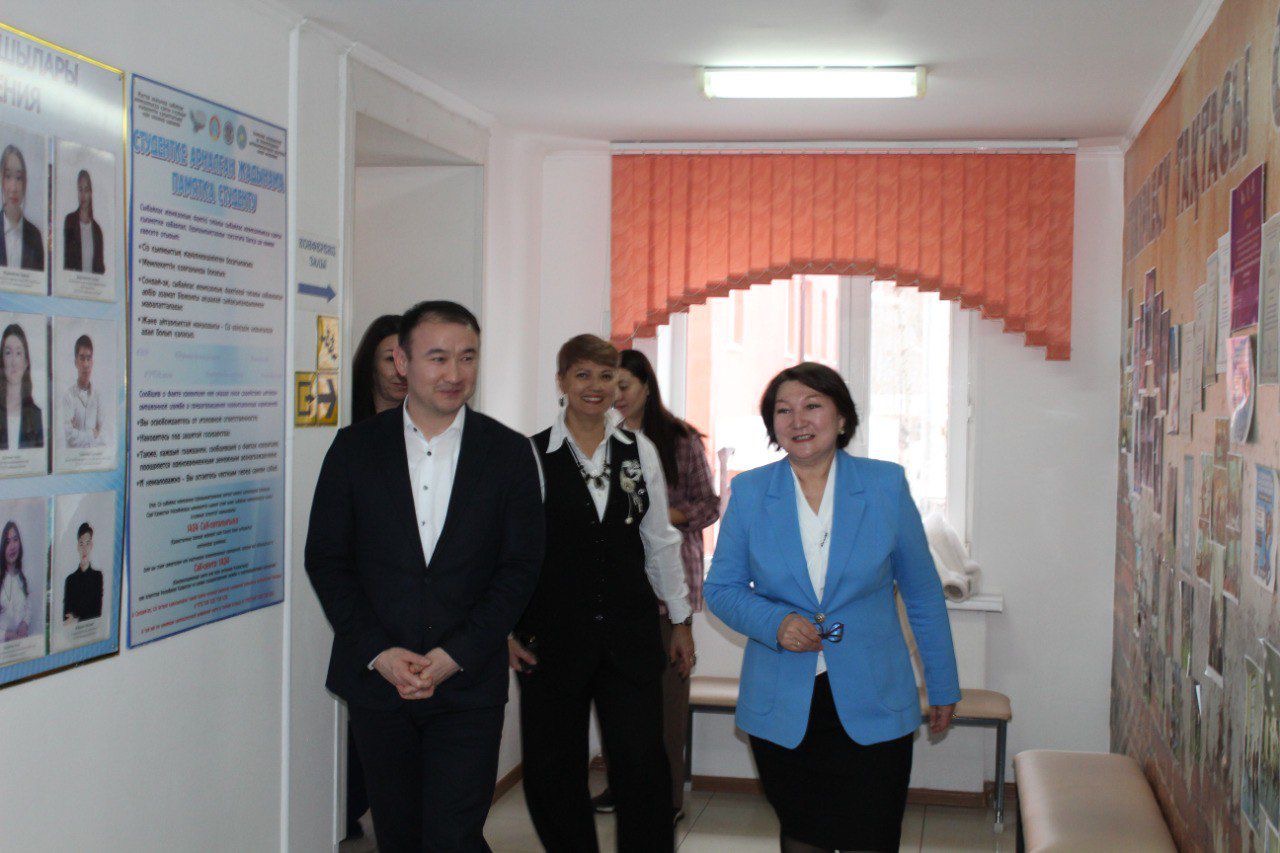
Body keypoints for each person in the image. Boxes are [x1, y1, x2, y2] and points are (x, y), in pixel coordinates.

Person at [306, 299, 544, 852]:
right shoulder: (355, 449)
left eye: (468, 357)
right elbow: (328, 560)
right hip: (379, 682)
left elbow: (519, 568)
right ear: (401, 361)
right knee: (399, 835)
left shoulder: (508, 453)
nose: (455, 373)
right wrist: (378, 652)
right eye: (438, 357)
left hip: (467, 684)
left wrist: (455, 654)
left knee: (454, 836)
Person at [704, 362, 960, 853]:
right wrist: (776, 622)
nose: (798, 420)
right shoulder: (751, 491)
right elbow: (722, 588)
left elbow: (923, 592)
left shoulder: (885, 485)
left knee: (873, 834)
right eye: (784, 410)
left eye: (813, 406)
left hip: (874, 696)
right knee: (803, 836)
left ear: (842, 418)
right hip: (783, 700)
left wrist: (942, 682)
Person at [509, 333, 694, 853]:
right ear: (562, 381)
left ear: (619, 384)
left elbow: (660, 541)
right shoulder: (531, 455)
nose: (596, 386)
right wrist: (506, 628)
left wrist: (680, 619)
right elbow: (512, 552)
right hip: (551, 638)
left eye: (607, 376)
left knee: (642, 763)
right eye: (583, 375)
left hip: (629, 634)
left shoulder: (640, 451)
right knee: (553, 767)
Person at [592, 348, 719, 821]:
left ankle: (667, 798)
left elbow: (709, 505)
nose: (616, 395)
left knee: (666, 702)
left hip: (668, 594)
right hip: (613, 592)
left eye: (624, 385)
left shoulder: (680, 440)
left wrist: (665, 516)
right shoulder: (596, 438)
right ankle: (620, 786)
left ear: (647, 386)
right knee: (616, 699)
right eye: (609, 384)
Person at [342, 313, 406, 842]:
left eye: (409, 357)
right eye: (390, 358)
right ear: (369, 365)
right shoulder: (345, 437)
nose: (401, 369)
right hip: (363, 620)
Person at [351, 314, 406, 423]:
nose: (401, 372)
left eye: (408, 358)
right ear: (371, 362)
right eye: (391, 359)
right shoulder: (345, 416)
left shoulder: (430, 420)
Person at [0, 144, 43, 271]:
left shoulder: (35, 236)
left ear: (25, 183)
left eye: (19, 178)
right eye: (8, 176)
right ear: (1, 180)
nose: (14, 188)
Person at [0, 323, 43, 450]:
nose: (13, 362)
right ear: (2, 360)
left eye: (18, 353)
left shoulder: (35, 415)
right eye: (8, 353)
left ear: (26, 363)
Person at [62, 334, 104, 448]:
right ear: (75, 362)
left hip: (94, 458)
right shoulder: (68, 396)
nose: (85, 364)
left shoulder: (98, 396)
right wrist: (92, 434)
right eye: (82, 358)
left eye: (88, 358)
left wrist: (77, 433)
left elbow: (104, 437)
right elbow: (69, 437)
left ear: (92, 362)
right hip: (74, 459)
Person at [63, 169, 105, 274]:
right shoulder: (70, 221)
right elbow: (67, 261)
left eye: (86, 190)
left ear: (91, 193)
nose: (83, 195)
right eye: (80, 190)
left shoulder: (97, 230)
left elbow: (100, 267)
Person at [63, 522, 103, 622]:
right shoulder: (70, 580)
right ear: (77, 546)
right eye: (81, 544)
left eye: (87, 543)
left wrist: (77, 619)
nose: (84, 549)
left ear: (91, 545)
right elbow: (67, 617)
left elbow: (97, 612)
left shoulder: (98, 577)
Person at [0, 520, 31, 641]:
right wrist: (7, 635)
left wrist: (25, 623)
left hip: (21, 646)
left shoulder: (23, 578)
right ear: (3, 547)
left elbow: (28, 608)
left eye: (15, 539)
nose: (12, 546)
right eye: (7, 542)